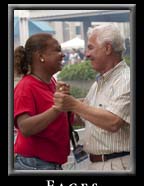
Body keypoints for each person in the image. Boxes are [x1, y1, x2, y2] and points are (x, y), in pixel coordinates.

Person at [54, 24, 130, 171]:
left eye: (90, 47)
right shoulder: (100, 82)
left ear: (107, 48)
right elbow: (83, 116)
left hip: (117, 164)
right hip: (99, 164)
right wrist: (65, 103)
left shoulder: (126, 80)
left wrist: (74, 104)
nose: (86, 54)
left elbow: (113, 122)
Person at [14, 33, 71, 170]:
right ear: (41, 57)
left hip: (49, 163)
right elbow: (25, 127)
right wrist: (57, 108)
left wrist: (70, 105)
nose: (62, 55)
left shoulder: (52, 83)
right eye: (57, 50)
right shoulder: (25, 87)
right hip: (35, 165)